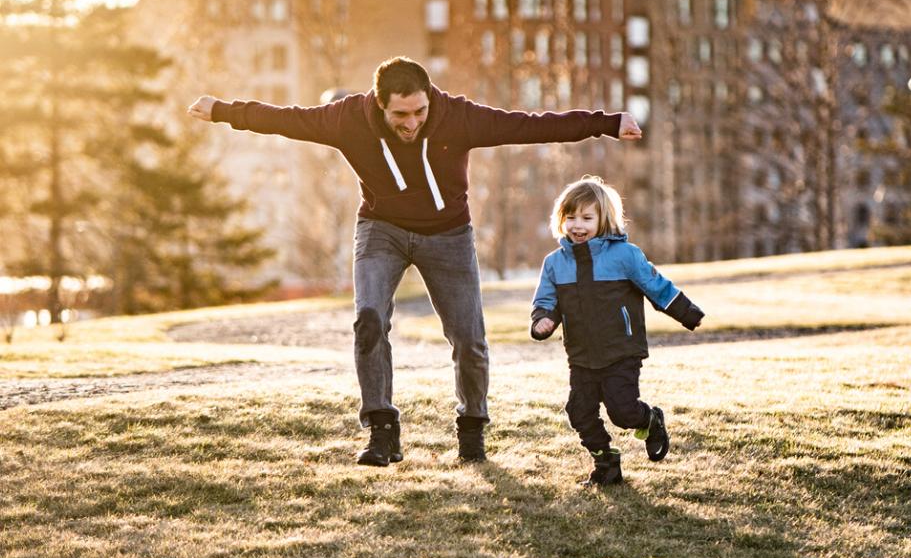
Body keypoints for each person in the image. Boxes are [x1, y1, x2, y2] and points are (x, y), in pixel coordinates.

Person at [187, 57, 642, 466]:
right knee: (368, 318)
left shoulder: (457, 117)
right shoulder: (347, 119)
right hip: (380, 227)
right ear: (378, 104)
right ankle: (382, 431)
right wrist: (223, 110)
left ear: (430, 100)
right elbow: (283, 119)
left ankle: (472, 429)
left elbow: (529, 124)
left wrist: (606, 122)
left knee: (468, 336)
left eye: (420, 112)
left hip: (448, 233)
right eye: (400, 115)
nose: (412, 124)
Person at [529, 176, 703, 486]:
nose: (577, 225)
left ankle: (650, 419)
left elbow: (656, 286)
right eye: (570, 218)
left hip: (621, 349)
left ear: (604, 219)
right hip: (581, 354)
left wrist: (687, 312)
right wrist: (543, 320)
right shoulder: (555, 263)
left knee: (622, 412)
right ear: (561, 220)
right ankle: (606, 464)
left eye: (586, 217)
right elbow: (546, 300)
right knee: (579, 413)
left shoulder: (625, 256)